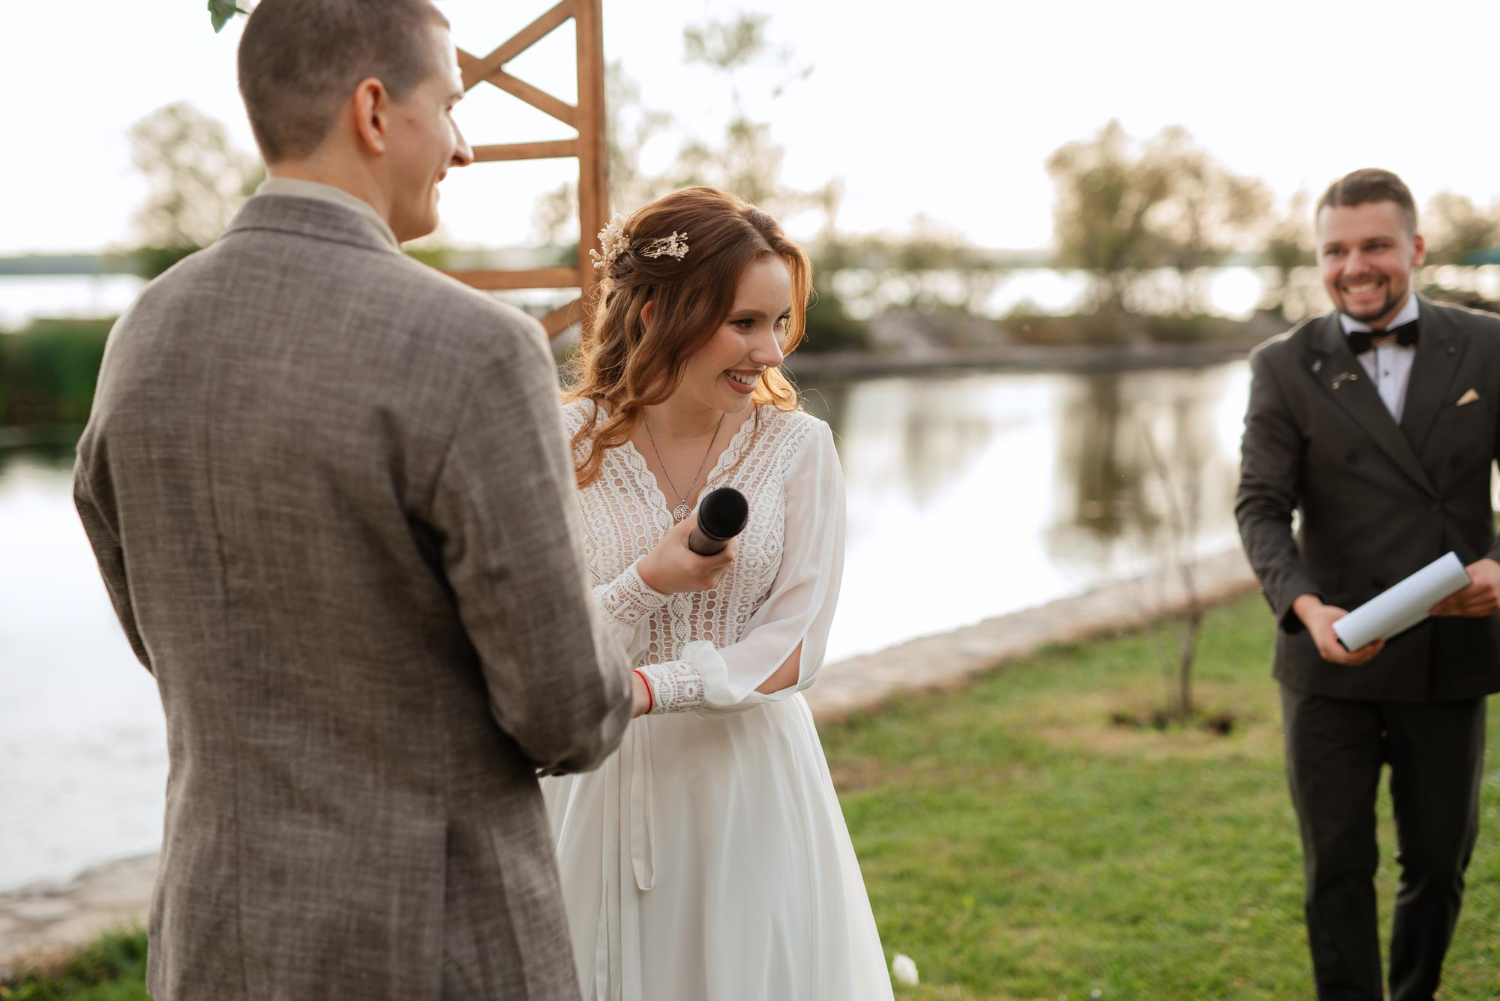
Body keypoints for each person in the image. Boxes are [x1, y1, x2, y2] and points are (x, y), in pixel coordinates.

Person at [71, 1, 631, 998]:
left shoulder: (142, 336)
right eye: (452, 106)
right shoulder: (478, 348)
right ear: (374, 110)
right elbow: (567, 712)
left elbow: (160, 631)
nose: (463, 146)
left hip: (211, 933)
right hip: (431, 940)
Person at [541, 187, 894, 1001]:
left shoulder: (801, 450)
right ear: (657, 311)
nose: (770, 352)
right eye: (745, 322)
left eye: (779, 323)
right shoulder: (561, 443)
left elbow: (795, 645)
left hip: (748, 786)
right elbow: (542, 639)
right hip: (597, 784)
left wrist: (653, 685)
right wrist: (645, 584)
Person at [1237, 167, 1500, 1001]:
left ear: (1415, 248)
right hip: (1330, 657)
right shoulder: (1283, 364)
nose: (1356, 265)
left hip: (1450, 652)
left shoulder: (1489, 346)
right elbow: (1260, 506)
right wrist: (1307, 608)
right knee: (1336, 868)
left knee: (1438, 864)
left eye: (1376, 244)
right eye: (1336, 249)